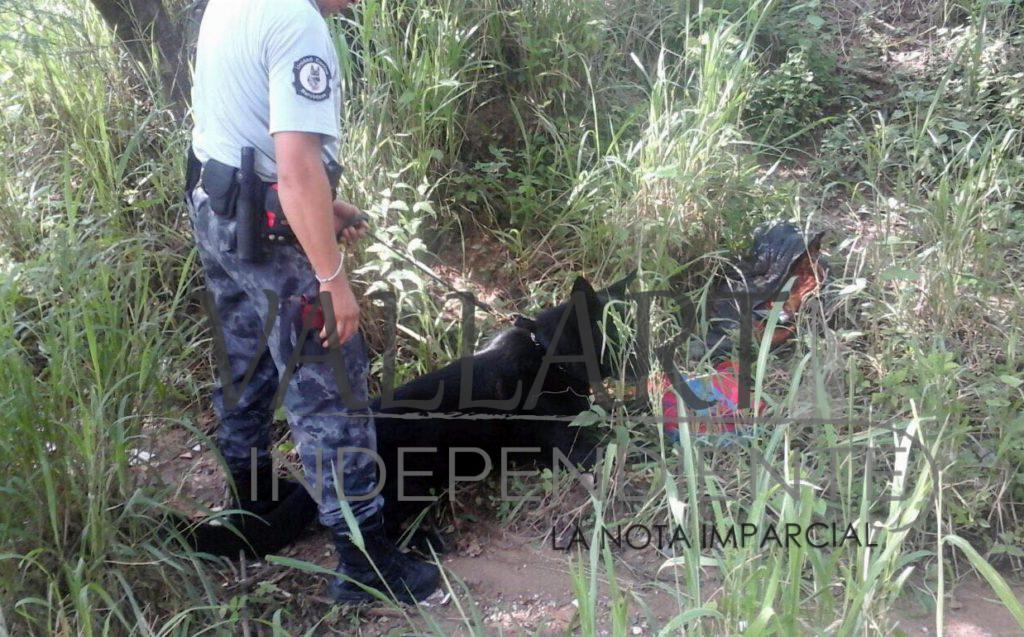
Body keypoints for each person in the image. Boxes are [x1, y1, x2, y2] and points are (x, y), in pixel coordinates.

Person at [187, 0, 438, 604]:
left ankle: (252, 512)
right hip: (268, 234)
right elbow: (297, 166)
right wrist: (332, 277)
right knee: (333, 392)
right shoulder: (298, 24)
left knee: (243, 365)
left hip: (218, 211)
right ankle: (364, 563)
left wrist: (316, 209)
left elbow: (246, 125)